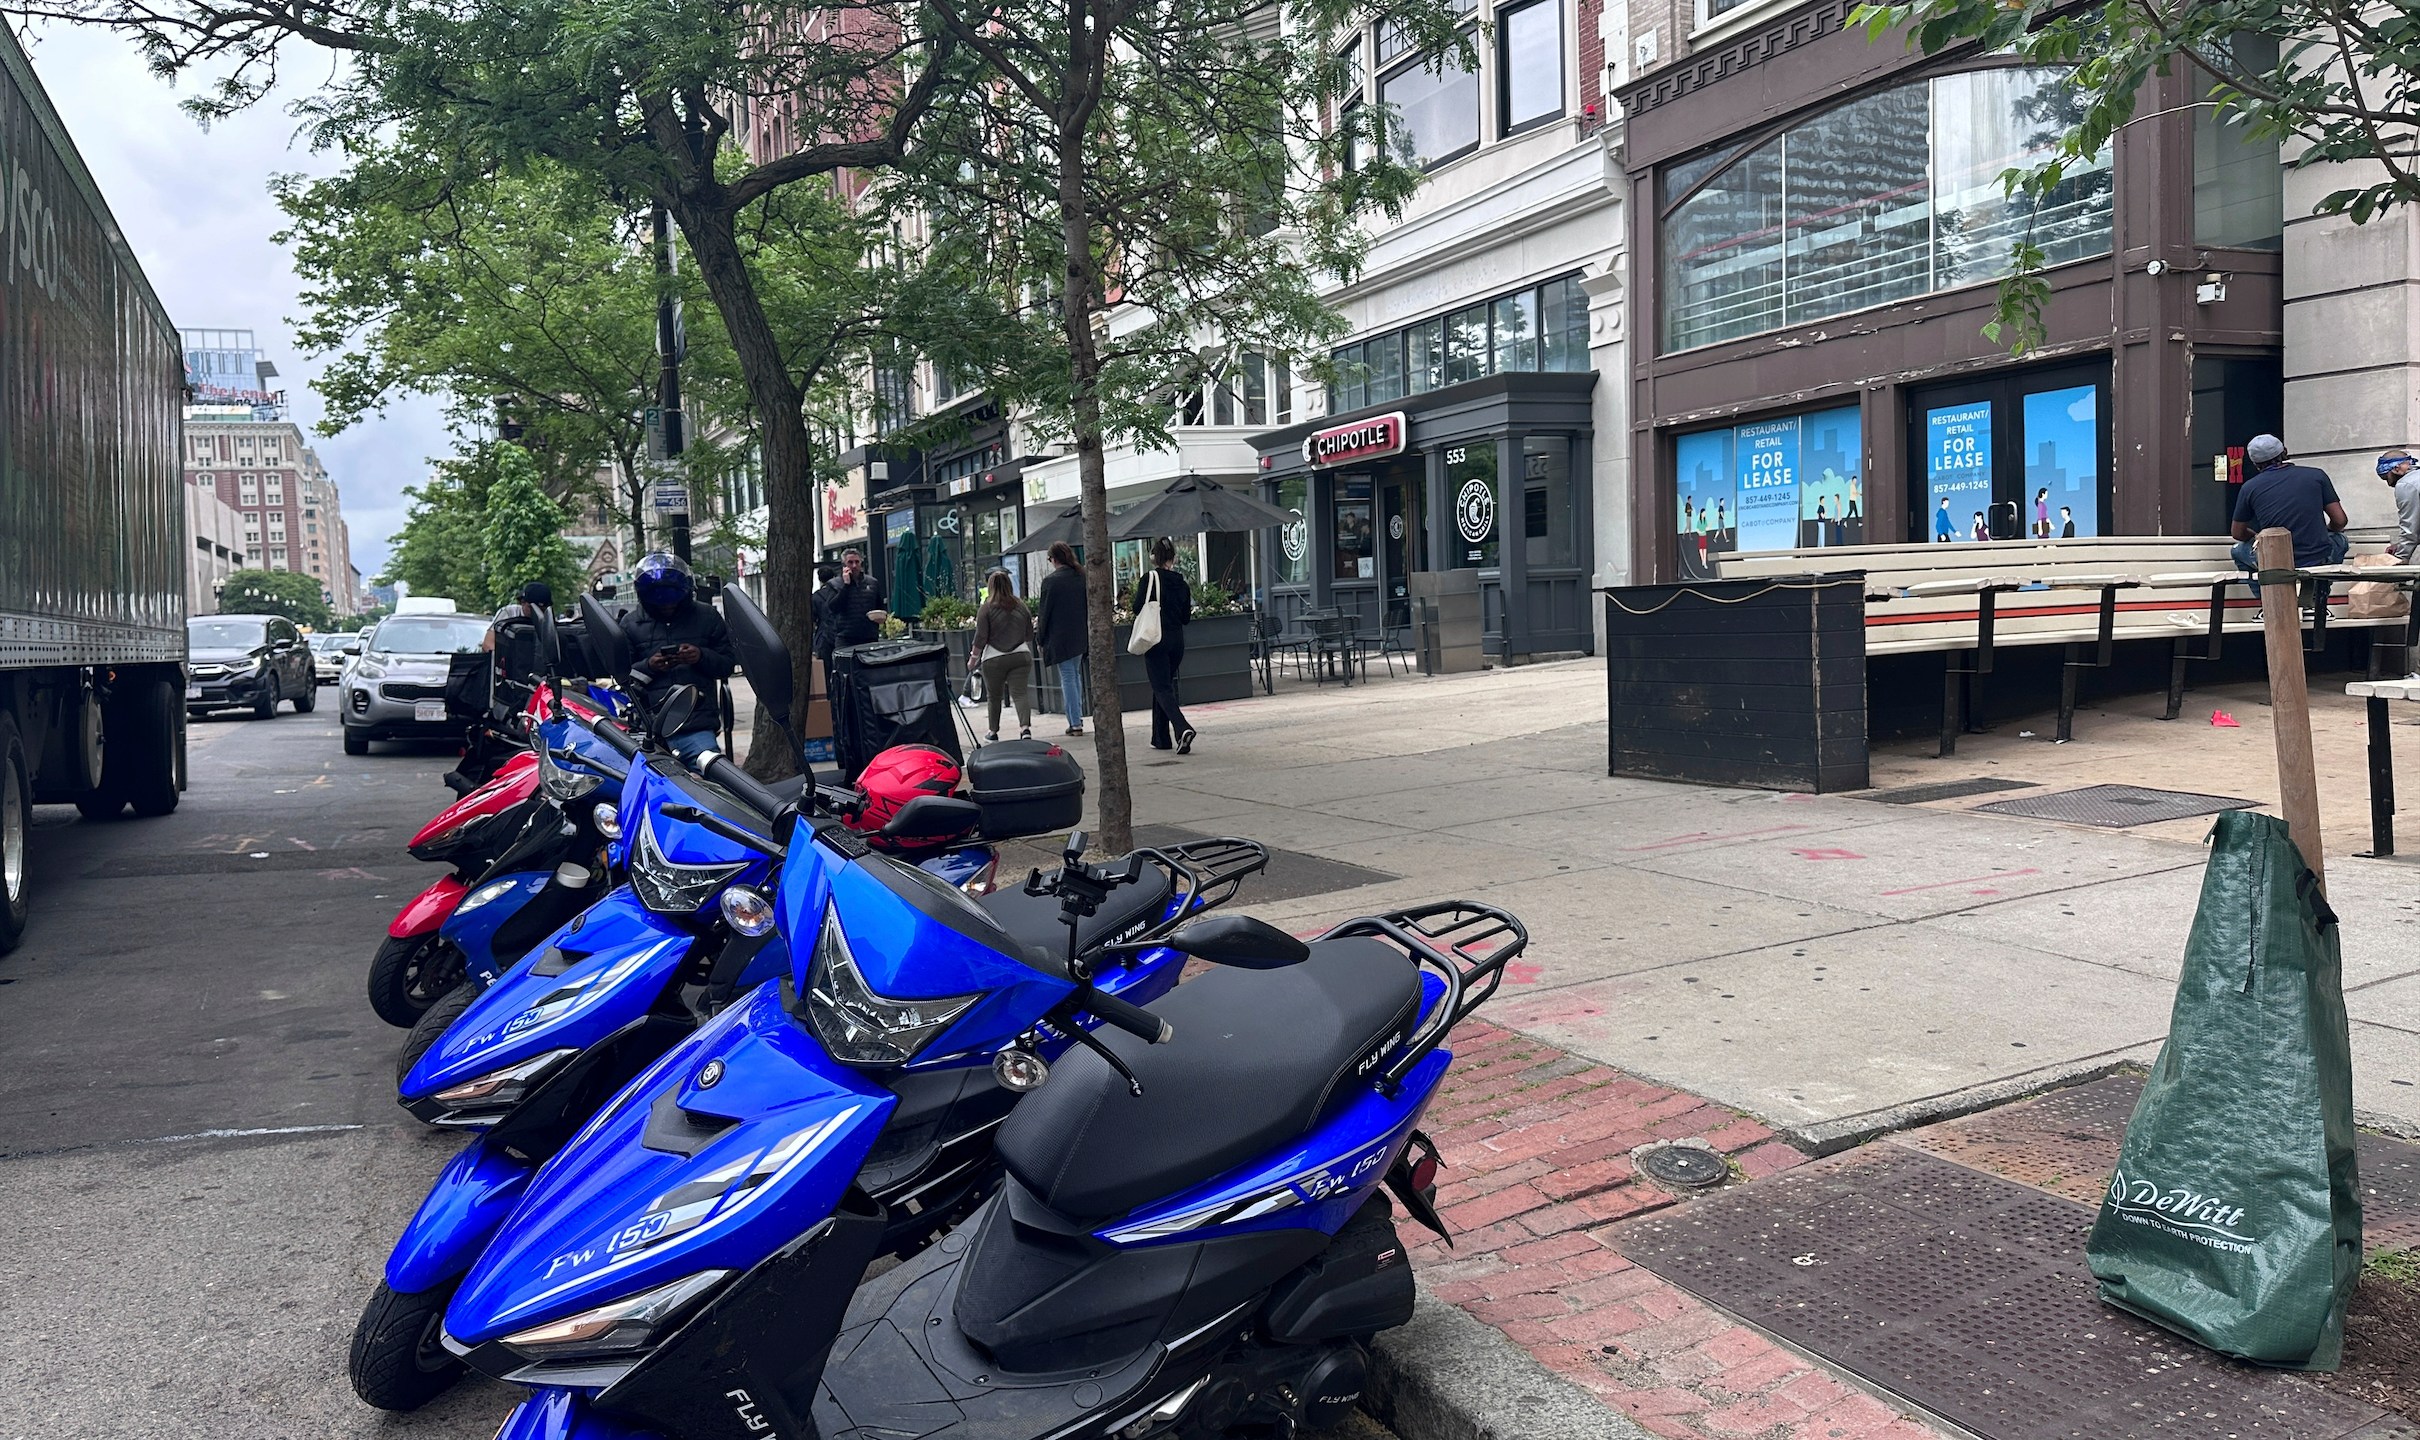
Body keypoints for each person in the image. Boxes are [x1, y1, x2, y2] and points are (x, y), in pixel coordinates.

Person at [617, 552, 736, 765]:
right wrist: (650, 666)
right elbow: (622, 676)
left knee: (711, 775)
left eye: (673, 601)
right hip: (649, 726)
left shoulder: (707, 617)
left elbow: (727, 665)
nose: (667, 606)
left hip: (696, 723)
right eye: (659, 601)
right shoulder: (630, 624)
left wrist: (700, 656)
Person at [2231, 434, 2348, 595]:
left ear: (2255, 463)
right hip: (2318, 558)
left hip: (2275, 560)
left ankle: (2266, 602)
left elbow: (2238, 533)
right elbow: (2340, 521)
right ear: (2285, 451)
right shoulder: (2316, 475)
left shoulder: (2249, 487)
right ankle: (2318, 597)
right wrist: (2326, 531)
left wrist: (2257, 536)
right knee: (2340, 540)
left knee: (2237, 551)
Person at [1133, 537, 1195, 754]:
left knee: (1161, 687)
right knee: (1163, 685)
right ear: (1173, 558)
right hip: (1177, 641)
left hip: (1155, 639)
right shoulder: (1182, 583)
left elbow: (1136, 607)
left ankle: (1182, 727)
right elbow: (1186, 618)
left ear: (1153, 558)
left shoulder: (1149, 579)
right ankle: (1160, 738)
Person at [969, 569, 1035, 742]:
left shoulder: (986, 608)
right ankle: (1025, 729)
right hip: (1020, 655)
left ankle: (993, 732)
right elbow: (1029, 634)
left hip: (994, 658)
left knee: (994, 696)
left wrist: (973, 659)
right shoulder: (1021, 606)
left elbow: (980, 637)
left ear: (990, 586)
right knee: (1020, 693)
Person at [1035, 540, 1089, 736]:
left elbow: (1044, 613)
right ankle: (1077, 717)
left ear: (1054, 559)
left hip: (1060, 636)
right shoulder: (1081, 576)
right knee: (1075, 675)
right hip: (1079, 633)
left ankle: (1075, 722)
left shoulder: (1051, 582)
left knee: (1068, 677)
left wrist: (1040, 638)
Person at [827, 549, 885, 648]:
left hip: (869, 637)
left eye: (857, 562)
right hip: (845, 638)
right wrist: (846, 585)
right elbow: (833, 607)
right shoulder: (834, 584)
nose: (854, 566)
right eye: (850, 562)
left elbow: (879, 606)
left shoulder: (872, 583)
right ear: (844, 565)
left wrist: (880, 617)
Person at [2379, 449, 2420, 563]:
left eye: (2386, 477)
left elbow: (2410, 527)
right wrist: (2400, 546)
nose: (2389, 484)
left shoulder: (2406, 484)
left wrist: (2399, 558)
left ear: (2396, 468)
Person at [809, 560, 843, 665]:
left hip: (823, 636)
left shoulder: (815, 597)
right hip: (840, 633)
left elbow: (813, 619)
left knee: (826, 667)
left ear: (820, 579)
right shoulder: (840, 593)